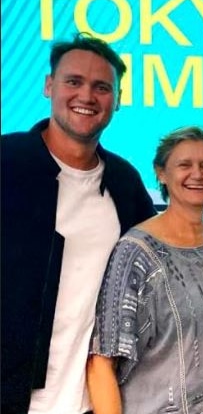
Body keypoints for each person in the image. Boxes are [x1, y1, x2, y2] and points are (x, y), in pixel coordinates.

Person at [0, 32, 156, 413]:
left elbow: (166, 247)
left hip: (88, 400)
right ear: (49, 86)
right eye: (73, 81)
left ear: (116, 101)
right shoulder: (6, 162)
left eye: (101, 87)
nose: (87, 96)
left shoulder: (124, 181)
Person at [87, 126, 203, 413]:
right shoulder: (136, 252)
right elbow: (102, 362)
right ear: (161, 173)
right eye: (184, 165)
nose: (197, 174)